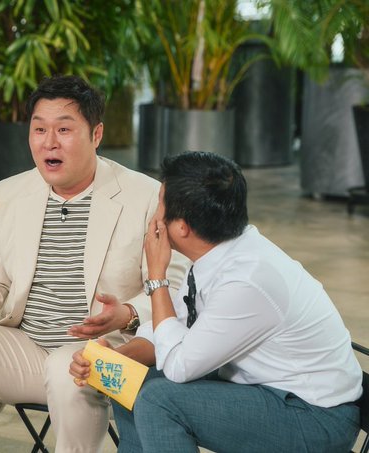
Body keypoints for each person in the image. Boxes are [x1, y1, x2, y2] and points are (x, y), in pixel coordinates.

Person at [0, 75, 187, 453]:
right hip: (26, 349)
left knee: (66, 365)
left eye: (64, 129)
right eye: (39, 129)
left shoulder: (145, 196)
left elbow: (175, 287)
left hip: (107, 354)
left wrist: (126, 314)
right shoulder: (8, 194)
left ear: (96, 134)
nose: (49, 142)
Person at [71, 151, 363, 452]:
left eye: (160, 203)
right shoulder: (217, 252)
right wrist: (117, 358)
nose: (154, 214)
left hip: (313, 416)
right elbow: (174, 328)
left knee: (160, 400)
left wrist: (157, 277)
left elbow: (178, 365)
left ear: (182, 227)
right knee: (127, 379)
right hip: (265, 389)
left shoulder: (246, 281)